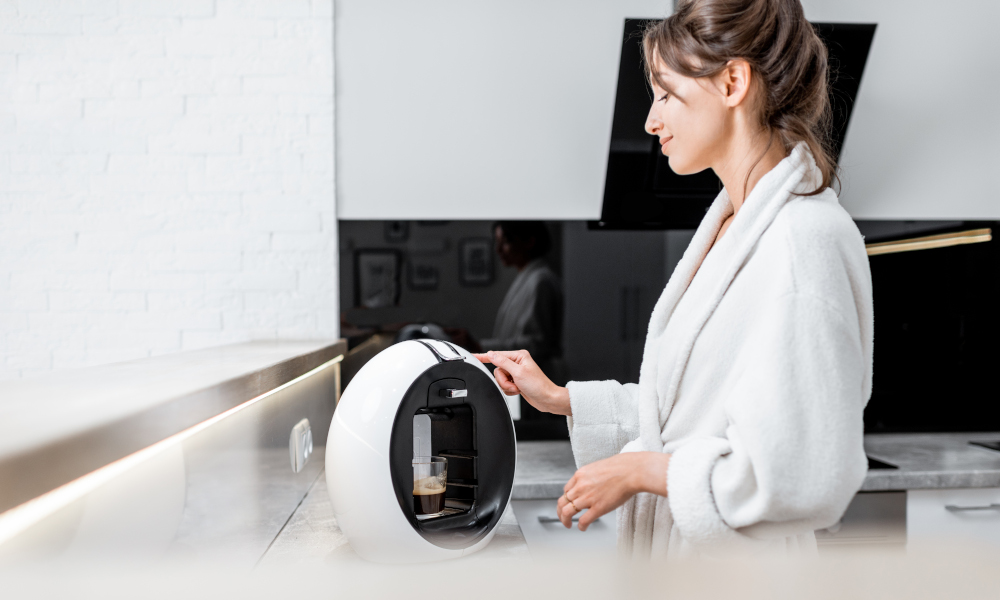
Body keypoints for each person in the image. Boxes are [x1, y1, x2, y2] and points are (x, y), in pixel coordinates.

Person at [476, 0, 873, 559]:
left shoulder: (803, 240)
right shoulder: (733, 227)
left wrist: (645, 471)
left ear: (733, 81)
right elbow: (696, 411)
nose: (650, 120)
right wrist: (563, 400)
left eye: (665, 93)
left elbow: (805, 474)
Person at [449, 222, 565, 383]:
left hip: (536, 377)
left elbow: (538, 344)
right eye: (497, 242)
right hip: (526, 377)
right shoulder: (530, 277)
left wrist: (479, 346)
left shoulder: (540, 280)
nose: (498, 250)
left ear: (529, 242)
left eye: (506, 242)